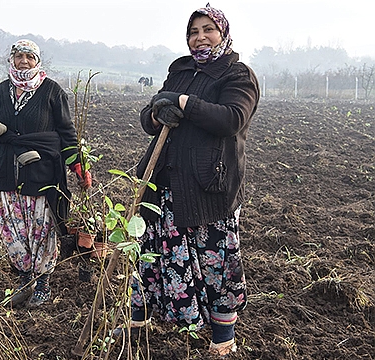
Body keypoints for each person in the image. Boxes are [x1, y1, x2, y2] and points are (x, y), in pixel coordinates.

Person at [121, 4, 260, 357]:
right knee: (151, 256)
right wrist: (156, 113)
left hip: (207, 186)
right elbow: (151, 115)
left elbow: (232, 118)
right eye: (193, 32)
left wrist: (185, 102)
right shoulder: (180, 70)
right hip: (163, 180)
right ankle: (138, 322)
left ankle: (222, 339)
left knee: (214, 263)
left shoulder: (238, 75)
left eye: (207, 29)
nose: (200, 37)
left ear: (222, 32)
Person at [0, 39, 91, 307]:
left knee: (42, 228)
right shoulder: (1, 91)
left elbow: (67, 135)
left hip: (40, 174)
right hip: (5, 172)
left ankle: (42, 281)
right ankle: (24, 279)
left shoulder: (52, 91)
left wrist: (78, 165)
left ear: (37, 60)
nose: (24, 61)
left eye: (29, 57)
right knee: (12, 227)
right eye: (19, 56)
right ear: (11, 60)